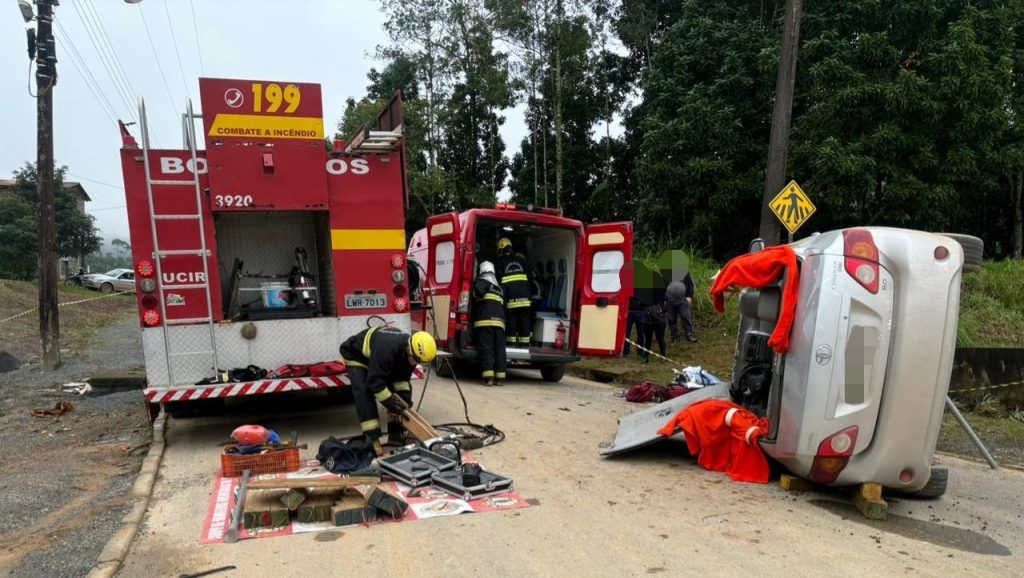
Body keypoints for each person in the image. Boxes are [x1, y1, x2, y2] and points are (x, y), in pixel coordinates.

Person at [339, 327, 437, 451]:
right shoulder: (387, 350)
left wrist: (404, 401)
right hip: (357, 355)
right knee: (364, 393)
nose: (417, 364)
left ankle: (396, 436)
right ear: (409, 350)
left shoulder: (410, 354)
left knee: (397, 398)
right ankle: (372, 440)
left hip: (379, 358)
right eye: (417, 360)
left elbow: (402, 380)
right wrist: (390, 402)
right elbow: (374, 382)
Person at [472, 261, 507, 386]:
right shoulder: (499, 287)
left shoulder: (482, 282)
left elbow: (477, 294)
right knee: (499, 349)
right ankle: (500, 377)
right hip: (500, 323)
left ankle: (488, 378)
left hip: (485, 321)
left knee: (486, 348)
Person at [496, 238, 533, 346]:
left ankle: (510, 343)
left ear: (501, 249)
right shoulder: (521, 260)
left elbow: (497, 281)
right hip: (525, 298)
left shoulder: (500, 263)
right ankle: (525, 344)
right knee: (524, 320)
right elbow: (530, 278)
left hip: (511, 298)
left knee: (511, 319)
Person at [666, 270, 697, 342]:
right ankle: (674, 336)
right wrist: (664, 299)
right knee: (671, 319)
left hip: (683, 299)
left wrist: (689, 296)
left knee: (686, 316)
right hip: (670, 300)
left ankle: (689, 334)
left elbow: (691, 285)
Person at [622, 293, 646, 358]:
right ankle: (625, 352)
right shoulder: (629, 286)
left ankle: (640, 352)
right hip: (630, 312)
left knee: (640, 334)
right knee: (627, 333)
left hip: (640, 312)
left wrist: (643, 308)